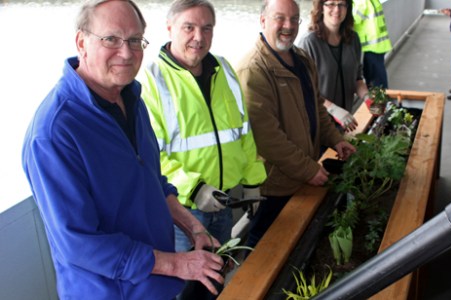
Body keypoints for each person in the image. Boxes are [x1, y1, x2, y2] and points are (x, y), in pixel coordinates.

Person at [21, 1, 224, 299]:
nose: (126, 53)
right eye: (111, 39)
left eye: (134, 40)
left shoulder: (131, 98)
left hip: (157, 286)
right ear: (82, 42)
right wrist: (177, 264)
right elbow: (79, 243)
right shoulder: (54, 132)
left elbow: (153, 182)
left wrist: (192, 226)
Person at [138, 0, 267, 297]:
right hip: (182, 212)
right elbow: (151, 156)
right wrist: (195, 188)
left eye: (206, 28)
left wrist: (251, 181)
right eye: (189, 27)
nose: (199, 36)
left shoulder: (223, 68)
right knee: (185, 291)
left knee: (214, 280)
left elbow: (242, 130)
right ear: (169, 28)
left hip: (223, 205)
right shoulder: (152, 81)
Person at [236, 0, 356, 249]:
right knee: (264, 244)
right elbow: (267, 138)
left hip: (301, 173)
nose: (288, 26)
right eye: (280, 18)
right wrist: (308, 169)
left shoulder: (301, 58)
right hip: (275, 184)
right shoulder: (253, 70)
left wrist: (336, 139)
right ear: (263, 20)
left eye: (294, 19)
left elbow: (317, 107)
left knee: (295, 244)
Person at [298, 0, 370, 132]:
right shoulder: (308, 43)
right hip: (317, 125)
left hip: (345, 122)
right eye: (331, 3)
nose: (337, 10)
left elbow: (357, 78)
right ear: (321, 7)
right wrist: (333, 109)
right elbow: (303, 90)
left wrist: (367, 97)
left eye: (341, 4)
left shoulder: (353, 39)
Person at [353, 0, 392, 89]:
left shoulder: (361, 2)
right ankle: (381, 98)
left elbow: (353, 21)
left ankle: (380, 101)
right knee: (378, 77)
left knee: (375, 81)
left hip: (372, 47)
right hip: (379, 45)